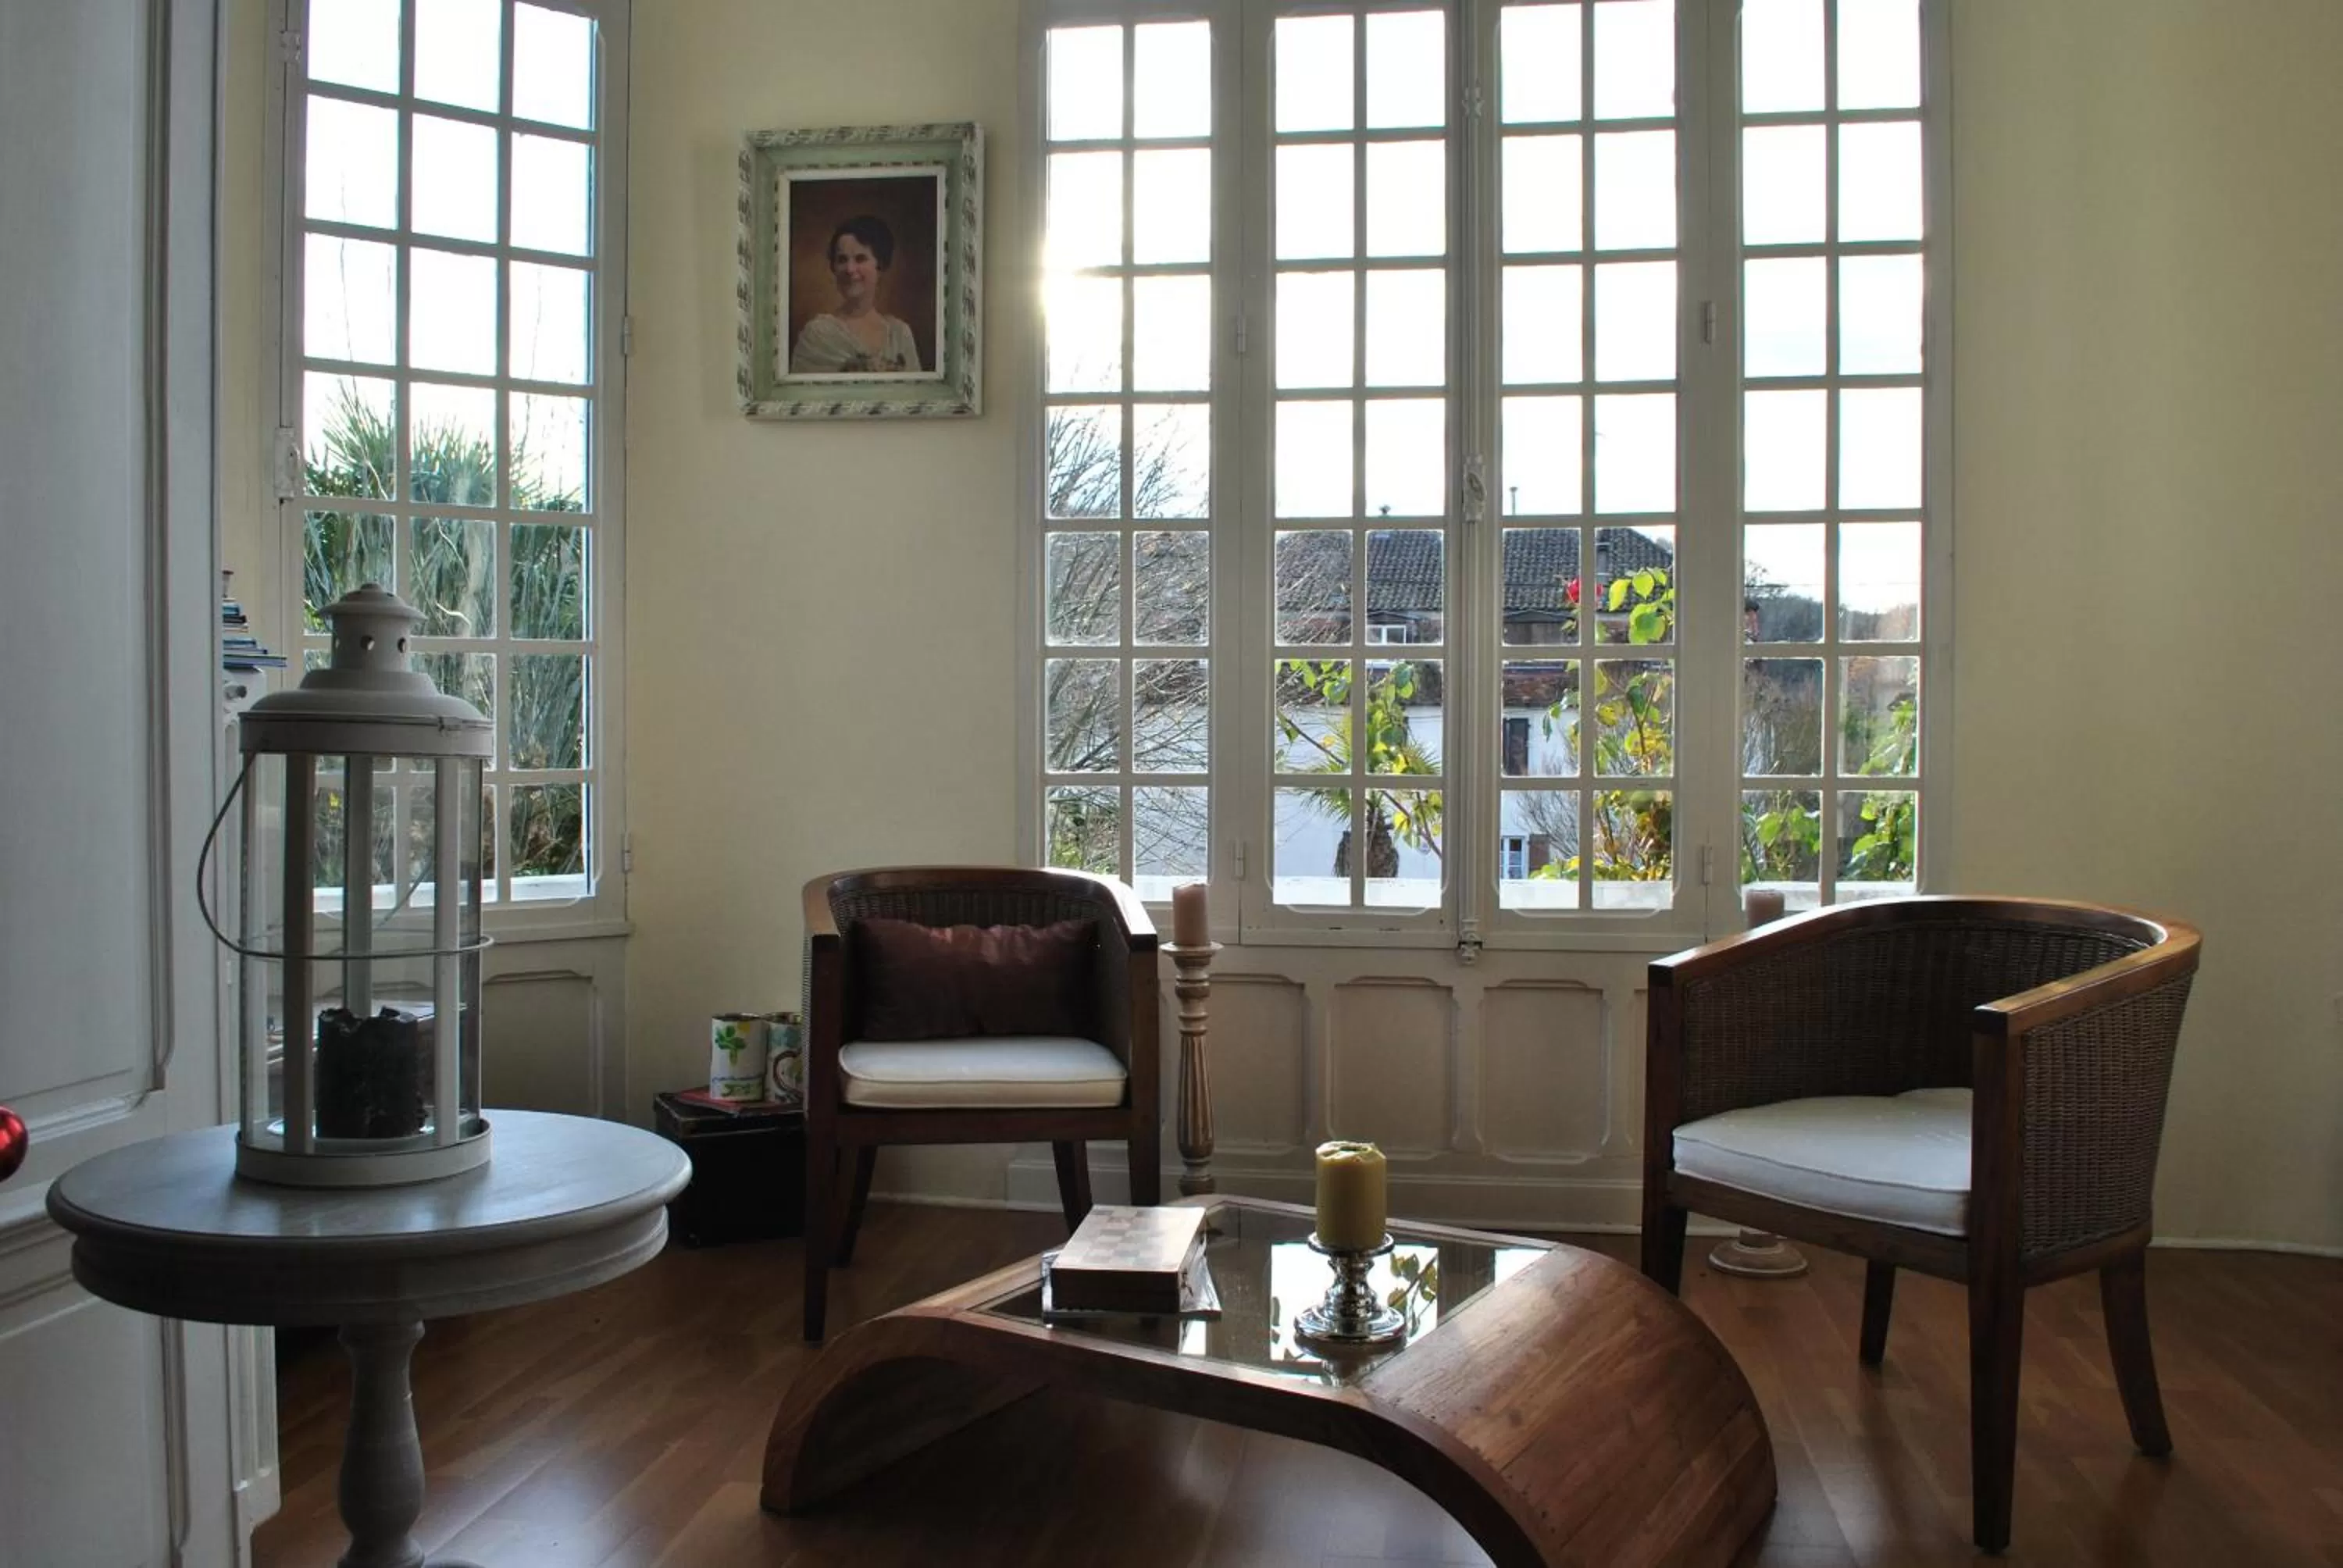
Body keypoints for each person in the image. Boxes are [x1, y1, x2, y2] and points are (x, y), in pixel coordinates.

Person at [789, 216, 922, 375]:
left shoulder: (900, 335)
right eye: (842, 260)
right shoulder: (817, 335)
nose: (850, 269)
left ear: (879, 266)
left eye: (860, 259)